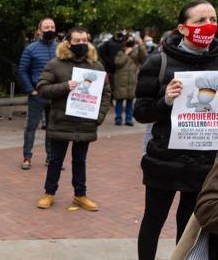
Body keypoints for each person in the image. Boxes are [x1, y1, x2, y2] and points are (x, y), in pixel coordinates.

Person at [132, 0, 218, 260]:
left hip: (204, 163)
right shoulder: (157, 62)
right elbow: (141, 112)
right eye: (200, 20)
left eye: (212, 19)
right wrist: (166, 100)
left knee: (190, 229)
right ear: (183, 27)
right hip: (163, 160)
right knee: (153, 221)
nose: (208, 25)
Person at [35, 27, 110, 211]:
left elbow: (106, 93)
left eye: (85, 40)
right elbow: (42, 88)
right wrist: (64, 86)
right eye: (77, 41)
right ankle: (49, 193)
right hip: (61, 121)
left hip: (85, 123)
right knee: (55, 160)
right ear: (67, 42)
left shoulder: (96, 66)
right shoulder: (55, 64)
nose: (82, 44)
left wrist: (98, 117)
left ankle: (80, 195)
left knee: (80, 161)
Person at [18, 18, 58, 170]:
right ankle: (27, 157)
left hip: (55, 94)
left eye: (52, 27)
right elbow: (22, 70)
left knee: (52, 128)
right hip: (37, 94)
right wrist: (31, 90)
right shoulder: (31, 49)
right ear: (40, 30)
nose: (50, 29)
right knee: (31, 127)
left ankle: (51, 158)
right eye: (46, 27)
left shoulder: (60, 48)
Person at [113, 34, 146, 126]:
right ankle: (118, 118)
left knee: (130, 101)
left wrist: (141, 45)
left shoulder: (137, 51)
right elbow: (118, 63)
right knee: (119, 100)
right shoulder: (120, 52)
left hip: (132, 79)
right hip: (120, 80)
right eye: (128, 39)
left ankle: (129, 119)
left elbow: (144, 58)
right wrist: (126, 53)